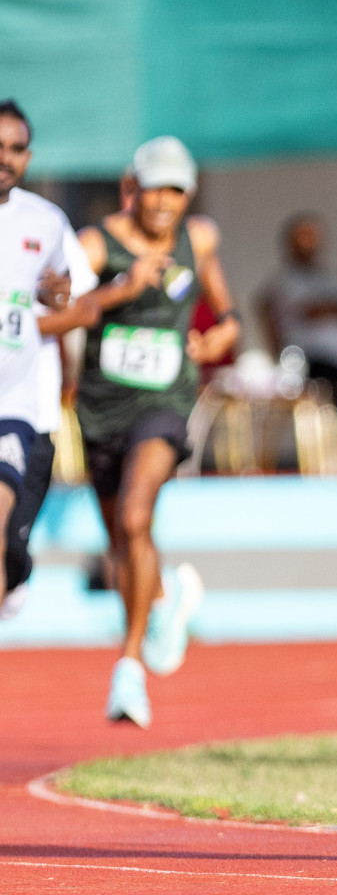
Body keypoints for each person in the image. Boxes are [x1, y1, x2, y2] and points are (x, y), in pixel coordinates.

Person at [75, 135, 241, 728]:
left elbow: (227, 312)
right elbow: (63, 305)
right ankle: (165, 601)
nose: (166, 201)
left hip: (164, 404)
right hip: (100, 409)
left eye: (177, 189)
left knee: (136, 517)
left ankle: (128, 669)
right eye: (156, 188)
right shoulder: (98, 243)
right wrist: (122, 288)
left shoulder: (199, 239)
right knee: (121, 543)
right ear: (131, 188)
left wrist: (223, 334)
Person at [0, 100, 76, 618]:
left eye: (16, 148)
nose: (5, 157)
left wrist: (56, 295)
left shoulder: (45, 221)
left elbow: (67, 294)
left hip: (14, 401)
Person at [259, 211, 337, 388]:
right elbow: (310, 311)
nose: (309, 243)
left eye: (313, 236)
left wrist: (335, 309)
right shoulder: (283, 282)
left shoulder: (334, 278)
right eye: (303, 236)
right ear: (289, 242)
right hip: (309, 360)